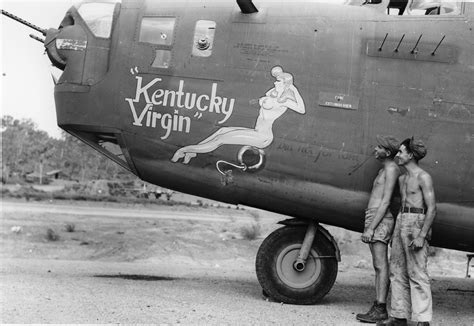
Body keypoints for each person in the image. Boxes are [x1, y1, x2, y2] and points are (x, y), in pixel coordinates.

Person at [171, 66, 305, 164]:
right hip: (256, 131)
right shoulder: (273, 93)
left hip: (262, 137)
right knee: (222, 130)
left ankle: (183, 150)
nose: (275, 82)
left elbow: (302, 110)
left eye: (279, 81)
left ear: (286, 85)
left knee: (221, 139)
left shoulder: (286, 101)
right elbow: (271, 93)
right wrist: (280, 76)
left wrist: (294, 89)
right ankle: (193, 152)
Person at [377, 137, 436, 326]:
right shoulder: (402, 178)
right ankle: (398, 316)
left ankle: (423, 320)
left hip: (417, 221)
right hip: (401, 220)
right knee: (396, 269)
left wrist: (422, 235)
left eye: (401, 152)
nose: (398, 155)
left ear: (410, 155)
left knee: (417, 272)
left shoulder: (423, 177)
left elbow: (432, 209)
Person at [356, 135, 400, 323]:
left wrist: (371, 228)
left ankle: (381, 308)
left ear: (387, 152)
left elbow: (386, 201)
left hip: (380, 219)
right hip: (374, 216)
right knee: (378, 265)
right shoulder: (385, 169)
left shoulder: (391, 169)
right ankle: (378, 305)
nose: (375, 149)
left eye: (379, 147)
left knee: (381, 265)